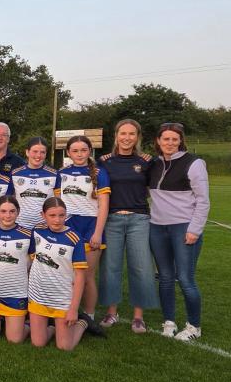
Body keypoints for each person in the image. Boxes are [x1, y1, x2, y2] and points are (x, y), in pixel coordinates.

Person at [148, 122, 210, 341]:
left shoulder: (194, 163)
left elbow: (203, 201)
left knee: (185, 279)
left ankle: (194, 326)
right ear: (158, 141)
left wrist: (195, 229)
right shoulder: (153, 163)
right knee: (164, 278)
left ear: (180, 141)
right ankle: (169, 322)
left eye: (174, 139)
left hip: (183, 227)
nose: (170, 143)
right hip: (157, 227)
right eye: (166, 139)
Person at [97, 120, 157, 333]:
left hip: (138, 219)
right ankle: (111, 312)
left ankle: (138, 317)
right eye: (123, 133)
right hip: (111, 220)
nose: (127, 138)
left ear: (137, 137)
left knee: (140, 267)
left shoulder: (147, 161)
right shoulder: (104, 161)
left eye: (132, 134)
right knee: (110, 267)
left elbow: (152, 189)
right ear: (116, 135)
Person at [55, 135, 110, 328]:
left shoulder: (99, 173)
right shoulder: (61, 173)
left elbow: (103, 206)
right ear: (68, 153)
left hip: (90, 227)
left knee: (87, 276)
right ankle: (68, 310)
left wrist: (97, 232)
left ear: (90, 151)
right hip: (67, 226)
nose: (79, 154)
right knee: (66, 274)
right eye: (75, 151)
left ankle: (89, 317)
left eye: (83, 150)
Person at [28, 197, 89, 351]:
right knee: (38, 343)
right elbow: (33, 257)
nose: (57, 220)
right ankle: (55, 328)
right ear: (43, 215)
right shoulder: (37, 231)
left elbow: (80, 276)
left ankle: (83, 323)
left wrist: (73, 309)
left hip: (62, 298)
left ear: (66, 215)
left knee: (64, 347)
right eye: (52, 215)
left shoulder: (74, 238)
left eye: (61, 215)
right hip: (38, 295)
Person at [0, 196, 33, 344]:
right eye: (3, 211)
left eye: (12, 211)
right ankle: (2, 320)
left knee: (14, 340)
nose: (7, 215)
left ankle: (31, 325)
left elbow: (35, 261)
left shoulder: (28, 235)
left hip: (16, 293)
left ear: (18, 212)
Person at [11, 137, 58, 230]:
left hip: (45, 227)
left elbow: (59, 202)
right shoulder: (15, 173)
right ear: (27, 152)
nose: (38, 155)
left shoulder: (54, 174)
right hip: (20, 226)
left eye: (42, 152)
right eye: (35, 151)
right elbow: (9, 200)